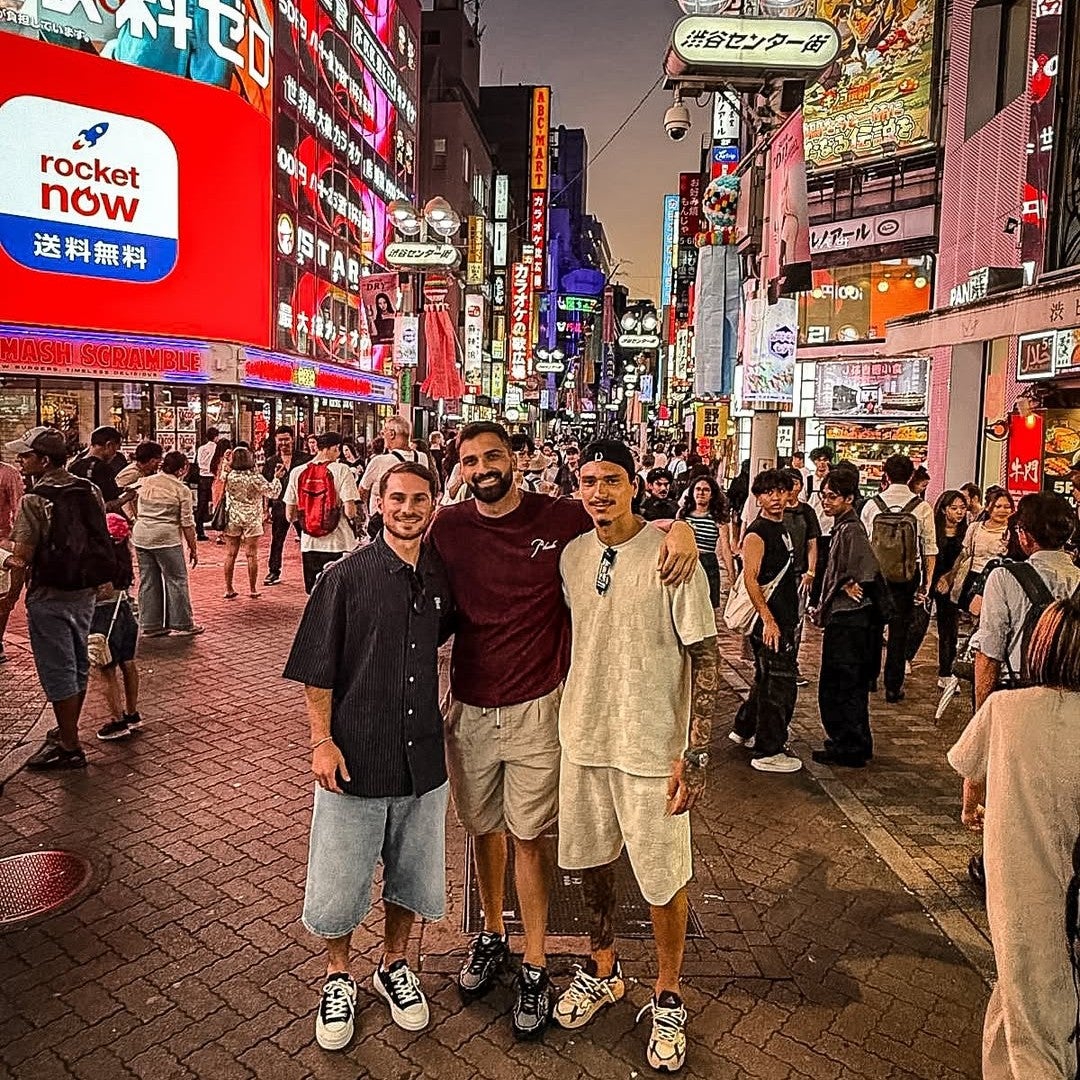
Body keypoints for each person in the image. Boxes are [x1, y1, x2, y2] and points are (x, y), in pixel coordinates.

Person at [428, 422, 698, 1042]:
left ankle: (537, 959)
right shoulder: (448, 526)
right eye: (470, 460)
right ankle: (493, 935)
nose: (482, 467)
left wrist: (678, 526)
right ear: (461, 469)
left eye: (493, 455)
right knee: (483, 828)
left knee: (531, 833)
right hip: (469, 705)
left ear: (516, 460)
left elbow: (625, 525)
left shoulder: (561, 519)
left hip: (541, 707)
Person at [553, 442, 718, 1074]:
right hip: (585, 737)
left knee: (662, 874)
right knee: (593, 863)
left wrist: (696, 754)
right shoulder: (572, 556)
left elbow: (703, 654)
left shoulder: (674, 558)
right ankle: (604, 968)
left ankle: (669, 991)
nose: (598, 493)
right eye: (588, 481)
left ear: (634, 486)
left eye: (611, 481)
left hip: (653, 747)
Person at [283, 463, 453, 1052]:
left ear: (434, 504)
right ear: (378, 503)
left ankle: (395, 964)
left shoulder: (438, 574)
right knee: (341, 876)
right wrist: (320, 740)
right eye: (398, 498)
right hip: (355, 754)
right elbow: (315, 668)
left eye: (420, 499)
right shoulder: (345, 577)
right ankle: (337, 976)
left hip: (423, 758)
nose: (408, 509)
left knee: (412, 872)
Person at [948, 595, 1080, 1079]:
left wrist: (971, 808)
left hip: (1023, 893)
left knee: (1033, 1026)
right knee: (1024, 1006)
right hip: (1066, 894)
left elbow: (970, 771)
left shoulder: (1006, 709)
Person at [0, 427, 115, 769]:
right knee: (78, 661)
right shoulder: (89, 488)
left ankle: (69, 744)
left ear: (44, 460)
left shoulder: (34, 500)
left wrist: (11, 596)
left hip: (50, 593)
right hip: (85, 590)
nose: (20, 462)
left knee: (57, 667)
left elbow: (22, 556)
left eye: (26, 456)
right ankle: (68, 732)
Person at [972, 492, 1080, 710]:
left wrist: (982, 712)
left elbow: (990, 652)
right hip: (1073, 697)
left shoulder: (1004, 577)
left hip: (1019, 694)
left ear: (1025, 536)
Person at [730, 469, 802, 773]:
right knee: (781, 685)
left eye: (780, 491)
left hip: (783, 616)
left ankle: (744, 729)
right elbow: (751, 578)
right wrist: (769, 620)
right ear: (758, 498)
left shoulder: (781, 526)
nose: (776, 498)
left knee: (765, 680)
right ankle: (768, 750)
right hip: (771, 621)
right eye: (768, 493)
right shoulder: (758, 532)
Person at [811, 469, 882, 768]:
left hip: (850, 619)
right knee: (847, 683)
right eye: (823, 496)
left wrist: (848, 583)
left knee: (841, 682)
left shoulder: (851, 529)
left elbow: (863, 568)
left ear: (849, 499)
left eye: (832, 497)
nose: (826, 502)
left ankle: (848, 744)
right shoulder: (844, 527)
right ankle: (855, 741)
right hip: (850, 618)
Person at [861, 454, 937, 703]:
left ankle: (870, 678)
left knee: (872, 626)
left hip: (875, 576)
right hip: (906, 576)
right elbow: (929, 549)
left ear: (886, 475)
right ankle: (893, 685)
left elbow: (864, 544)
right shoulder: (921, 507)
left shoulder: (872, 505)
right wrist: (927, 582)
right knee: (899, 630)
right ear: (911, 476)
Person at [131, 452, 203, 638]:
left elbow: (128, 496)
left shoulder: (146, 482)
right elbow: (187, 523)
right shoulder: (181, 490)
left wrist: (136, 518)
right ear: (182, 469)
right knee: (176, 579)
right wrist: (193, 548)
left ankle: (150, 624)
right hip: (166, 538)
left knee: (148, 579)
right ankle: (182, 623)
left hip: (141, 536)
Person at [87, 513, 143, 741]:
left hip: (103, 615)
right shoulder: (124, 558)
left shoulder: (100, 560)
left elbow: (103, 591)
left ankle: (117, 719)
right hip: (125, 610)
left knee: (106, 667)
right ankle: (132, 713)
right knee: (128, 663)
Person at [285, 433, 361, 594]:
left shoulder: (297, 472)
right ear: (335, 448)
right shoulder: (342, 470)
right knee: (339, 594)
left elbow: (290, 516)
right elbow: (350, 511)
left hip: (309, 544)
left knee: (315, 593)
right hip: (339, 542)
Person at [922, 490, 969, 686]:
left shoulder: (967, 533)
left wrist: (949, 579)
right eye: (954, 508)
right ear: (943, 510)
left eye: (963, 508)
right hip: (928, 580)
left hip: (951, 584)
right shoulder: (932, 530)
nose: (959, 512)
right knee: (918, 622)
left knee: (949, 628)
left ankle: (946, 672)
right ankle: (905, 657)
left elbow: (965, 559)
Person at [781, 468, 821, 686]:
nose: (794, 487)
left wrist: (811, 571)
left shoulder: (806, 511)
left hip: (799, 574)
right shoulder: (773, 509)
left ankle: (790, 663)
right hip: (776, 576)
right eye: (790, 483)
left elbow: (812, 543)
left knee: (796, 621)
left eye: (797, 483)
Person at [222, 448, 278, 600]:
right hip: (252, 518)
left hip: (233, 517)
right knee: (251, 554)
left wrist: (226, 462)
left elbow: (222, 475)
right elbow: (273, 492)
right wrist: (277, 478)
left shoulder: (229, 476)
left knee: (230, 554)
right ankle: (252, 588)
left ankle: (229, 588)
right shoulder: (255, 477)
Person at [950, 487, 1014, 616]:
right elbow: (964, 554)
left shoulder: (1013, 531)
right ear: (987, 507)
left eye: (1007, 507)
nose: (1002, 510)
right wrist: (951, 577)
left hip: (998, 582)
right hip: (973, 578)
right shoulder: (975, 527)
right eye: (998, 506)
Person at [262, 427, 312, 587]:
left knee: (307, 539)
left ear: (292, 439)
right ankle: (273, 570)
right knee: (277, 540)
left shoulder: (305, 459)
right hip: (280, 506)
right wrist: (265, 509)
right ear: (276, 441)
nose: (283, 443)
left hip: (301, 506)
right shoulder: (271, 462)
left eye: (286, 439)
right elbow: (266, 487)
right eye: (280, 440)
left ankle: (311, 572)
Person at [678, 475, 736, 607]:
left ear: (712, 494)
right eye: (697, 489)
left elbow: (726, 548)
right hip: (687, 561)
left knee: (707, 606)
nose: (701, 493)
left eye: (706, 490)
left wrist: (732, 575)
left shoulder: (718, 519)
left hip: (708, 562)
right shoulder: (683, 514)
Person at [359, 417, 421, 534]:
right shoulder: (422, 458)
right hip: (412, 519)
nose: (383, 436)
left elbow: (362, 491)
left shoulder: (380, 461)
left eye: (384, 432)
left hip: (383, 523)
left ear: (392, 434)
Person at [69, 426, 130, 514]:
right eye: (116, 449)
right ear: (109, 445)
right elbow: (108, 505)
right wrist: (127, 497)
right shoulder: (103, 468)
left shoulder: (74, 465)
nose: (115, 454)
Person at [0, 454, 24, 662]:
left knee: (3, 596)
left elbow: (18, 509)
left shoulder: (8, 474)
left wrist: (14, 543)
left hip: (1, 541)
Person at [806, 448, 834, 608]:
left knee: (826, 567)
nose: (821, 463)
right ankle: (813, 600)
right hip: (813, 532)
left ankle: (821, 600)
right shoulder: (809, 481)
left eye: (824, 460)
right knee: (814, 566)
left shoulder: (833, 481)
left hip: (830, 530)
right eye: (818, 460)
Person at [194, 428, 220, 541]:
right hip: (213, 478)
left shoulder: (201, 449)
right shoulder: (216, 448)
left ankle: (199, 531)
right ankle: (219, 530)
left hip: (202, 478)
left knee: (202, 505)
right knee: (217, 503)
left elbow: (199, 462)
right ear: (216, 437)